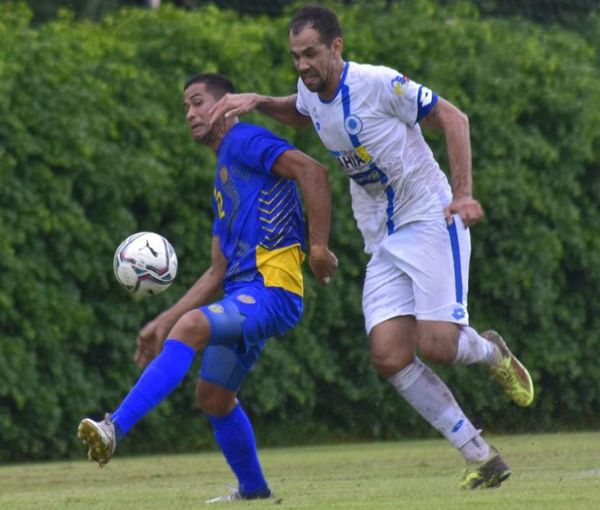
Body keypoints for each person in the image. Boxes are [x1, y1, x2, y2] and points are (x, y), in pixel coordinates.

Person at [208, 5, 534, 489]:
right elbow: (302, 114)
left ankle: (491, 352)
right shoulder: (309, 89)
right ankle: (481, 456)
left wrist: (463, 194)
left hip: (429, 216)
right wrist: (258, 101)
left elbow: (454, 117)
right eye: (296, 56)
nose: (302, 65)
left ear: (336, 47)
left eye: (311, 54)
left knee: (439, 345)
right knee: (388, 356)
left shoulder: (378, 83)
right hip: (381, 236)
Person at [77, 72, 338, 503]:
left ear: (225, 104)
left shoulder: (245, 141)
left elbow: (313, 172)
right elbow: (217, 271)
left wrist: (318, 247)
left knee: (191, 328)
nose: (191, 113)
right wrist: (162, 320)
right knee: (214, 396)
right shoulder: (223, 174)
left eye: (198, 102)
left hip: (272, 290)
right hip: (244, 293)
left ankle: (113, 428)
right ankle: (253, 490)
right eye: (185, 107)